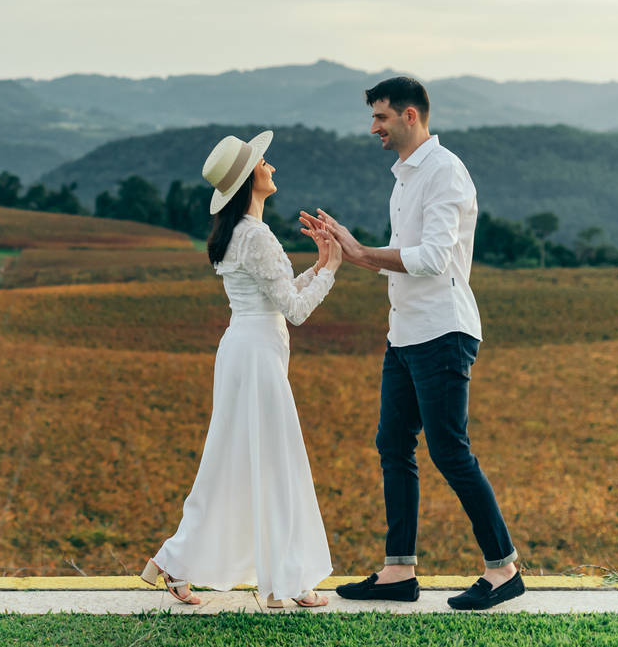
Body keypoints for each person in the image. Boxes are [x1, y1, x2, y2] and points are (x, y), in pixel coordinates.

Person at [301, 76, 523, 611]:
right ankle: (399, 571)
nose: (372, 127)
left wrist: (362, 252)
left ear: (410, 116)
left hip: (443, 331)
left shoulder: (445, 172)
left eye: (380, 117)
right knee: (392, 444)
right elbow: (400, 259)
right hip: (404, 332)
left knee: (450, 450)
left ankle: (504, 569)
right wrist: (352, 253)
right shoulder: (404, 178)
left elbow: (432, 258)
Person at [140, 130, 343, 609]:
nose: (270, 165)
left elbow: (277, 295)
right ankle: (281, 584)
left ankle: (176, 562)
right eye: (263, 162)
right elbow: (294, 310)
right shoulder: (257, 235)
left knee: (235, 461)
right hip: (257, 356)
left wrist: (317, 266)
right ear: (252, 179)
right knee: (275, 461)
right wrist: (331, 267)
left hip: (243, 349)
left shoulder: (239, 235)